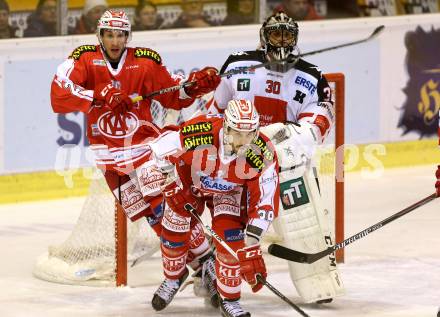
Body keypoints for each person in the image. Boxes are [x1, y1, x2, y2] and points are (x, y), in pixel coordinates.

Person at [50, 8, 221, 305]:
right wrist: (99, 96)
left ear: (128, 36)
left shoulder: (144, 60)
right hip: (108, 160)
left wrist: (195, 87)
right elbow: (58, 95)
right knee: (151, 216)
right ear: (99, 35)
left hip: (143, 151)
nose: (115, 41)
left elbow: (173, 95)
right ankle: (188, 267)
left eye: (120, 35)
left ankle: (205, 262)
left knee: (170, 211)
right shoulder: (84, 59)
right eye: (109, 34)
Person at [210, 11, 345, 304]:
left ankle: (318, 279)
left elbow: (319, 122)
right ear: (264, 37)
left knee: (305, 223)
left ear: (294, 38)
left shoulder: (311, 76)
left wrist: (280, 139)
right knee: (226, 222)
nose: (281, 40)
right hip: (237, 161)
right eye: (275, 34)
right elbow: (214, 112)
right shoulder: (236, 65)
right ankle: (211, 274)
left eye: (287, 34)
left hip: (286, 164)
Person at [149, 99, 279, 316]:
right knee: (173, 229)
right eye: (237, 133)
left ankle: (229, 301)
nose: (244, 141)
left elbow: (266, 201)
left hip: (230, 192)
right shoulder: (201, 132)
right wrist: (170, 181)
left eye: (250, 134)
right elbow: (159, 147)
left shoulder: (262, 152)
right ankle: (173, 277)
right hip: (191, 180)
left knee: (231, 243)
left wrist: (251, 245)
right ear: (226, 126)